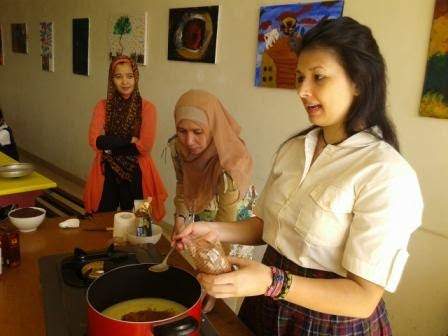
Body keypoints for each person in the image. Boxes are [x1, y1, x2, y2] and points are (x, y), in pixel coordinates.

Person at [175, 17, 423, 335]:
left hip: (330, 323)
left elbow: (363, 299)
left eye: (319, 78)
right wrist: (213, 229)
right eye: (300, 78)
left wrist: (271, 280)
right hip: (265, 305)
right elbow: (266, 225)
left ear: (358, 82)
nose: (303, 91)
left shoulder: (386, 173)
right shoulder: (294, 149)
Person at [168, 89, 254, 312]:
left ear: (213, 128)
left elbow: (227, 218)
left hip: (234, 225)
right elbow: (182, 184)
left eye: (198, 132)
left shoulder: (231, 161)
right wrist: (180, 218)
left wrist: (216, 266)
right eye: (182, 131)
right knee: (198, 282)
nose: (189, 141)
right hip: (202, 217)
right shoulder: (177, 148)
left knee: (224, 293)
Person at [84, 56, 167, 222]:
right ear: (111, 79)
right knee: (101, 220)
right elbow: (95, 141)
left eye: (129, 76)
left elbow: (144, 147)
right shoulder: (102, 106)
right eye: (118, 76)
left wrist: (110, 145)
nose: (125, 82)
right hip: (107, 170)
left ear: (136, 77)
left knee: (142, 224)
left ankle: (140, 248)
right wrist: (129, 140)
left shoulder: (148, 108)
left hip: (138, 173)